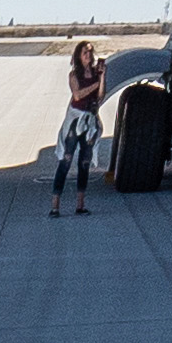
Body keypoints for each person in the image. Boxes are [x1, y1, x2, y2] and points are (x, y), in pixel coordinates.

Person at [50, 42, 105, 220]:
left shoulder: (96, 74)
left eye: (90, 52)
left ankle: (80, 205)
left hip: (89, 119)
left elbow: (101, 95)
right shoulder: (74, 75)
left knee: (84, 163)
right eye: (85, 52)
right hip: (75, 119)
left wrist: (102, 77)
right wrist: (96, 84)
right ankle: (55, 205)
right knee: (66, 160)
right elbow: (78, 94)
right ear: (79, 56)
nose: (88, 55)